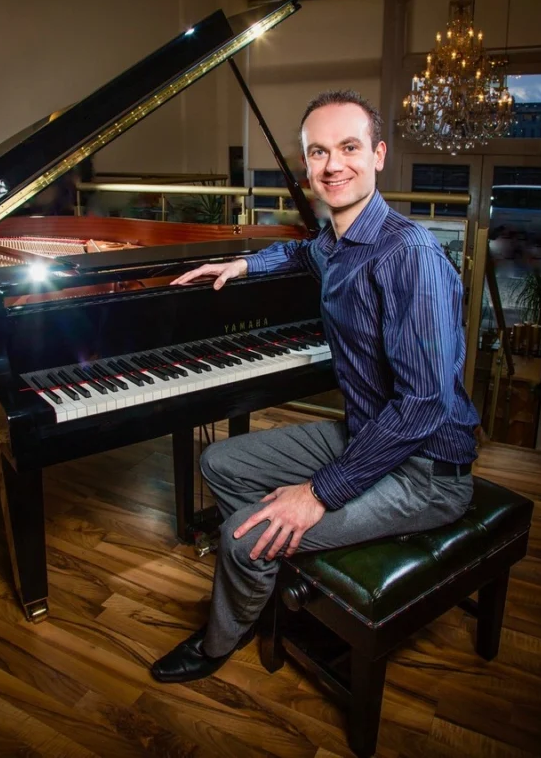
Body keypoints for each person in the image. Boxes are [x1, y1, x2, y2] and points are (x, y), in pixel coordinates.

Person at [150, 90, 480, 683]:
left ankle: (221, 638)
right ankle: (273, 572)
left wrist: (319, 493)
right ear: (306, 165)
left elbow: (425, 406)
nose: (333, 165)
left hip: (429, 471)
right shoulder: (335, 241)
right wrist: (245, 265)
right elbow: (306, 253)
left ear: (378, 154)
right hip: (368, 435)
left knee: (241, 537)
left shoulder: (412, 256)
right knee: (222, 462)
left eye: (349, 148)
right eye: (319, 152)